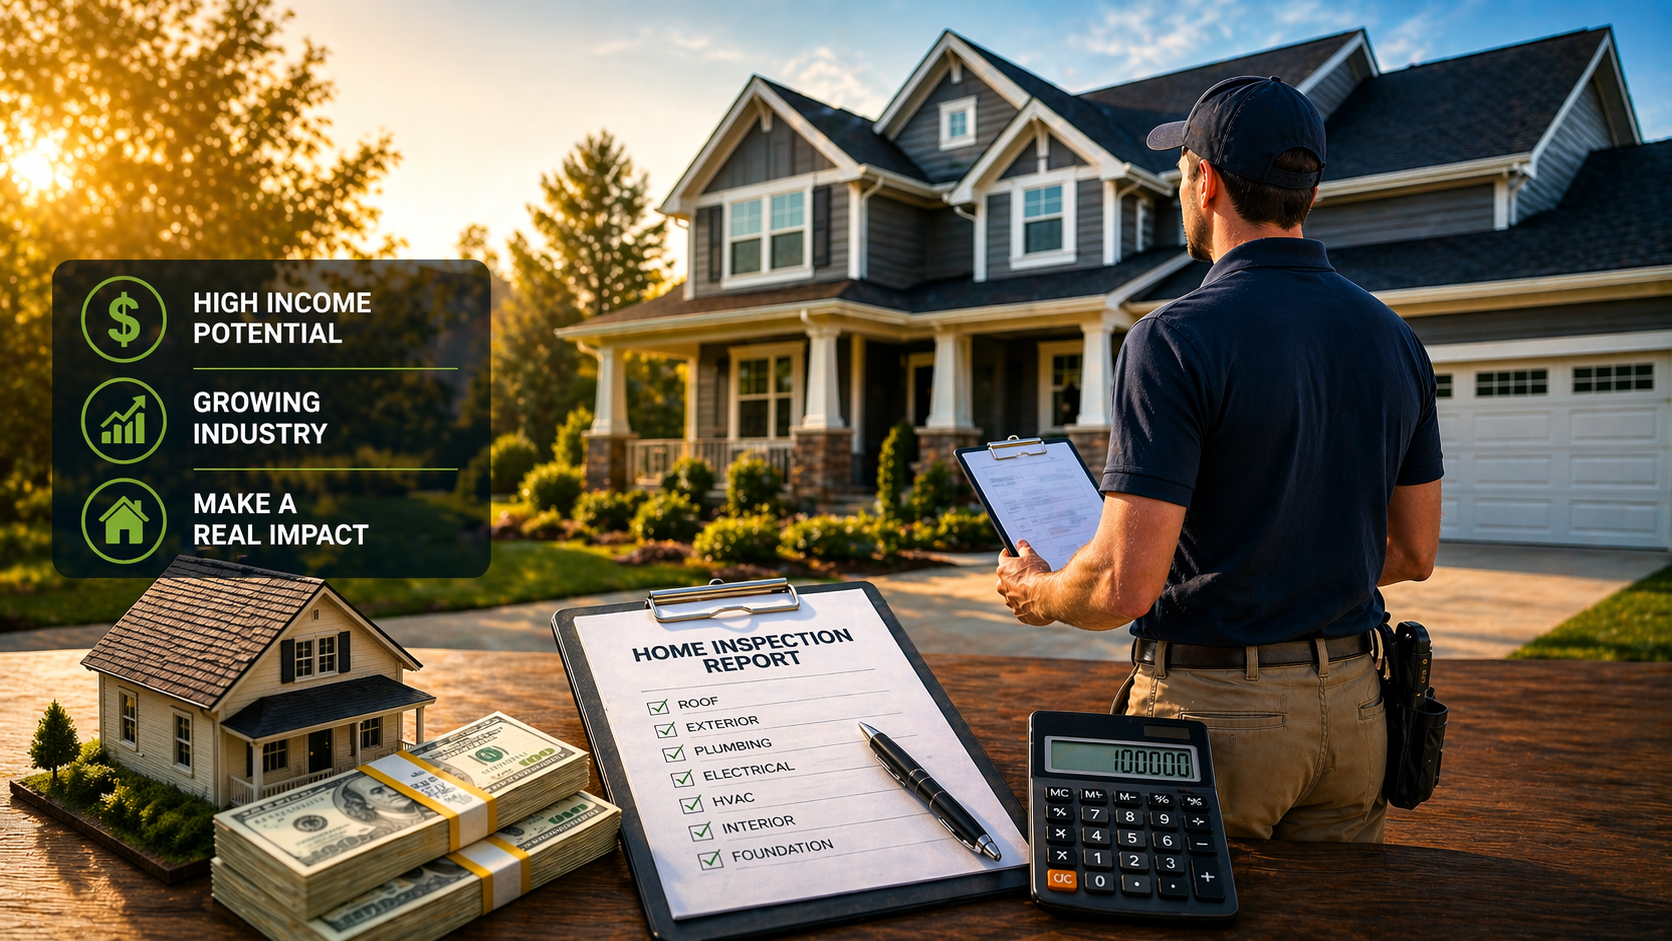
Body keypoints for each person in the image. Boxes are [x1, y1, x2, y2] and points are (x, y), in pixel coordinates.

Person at [995, 75, 1443, 843]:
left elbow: (1123, 585)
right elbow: (1413, 550)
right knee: (1342, 909)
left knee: (1172, 899)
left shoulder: (1173, 339)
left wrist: (1039, 591)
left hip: (1219, 722)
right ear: (1307, 192)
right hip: (1359, 712)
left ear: (1204, 181)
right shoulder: (1394, 338)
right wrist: (1290, 568)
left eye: (1181, 173)